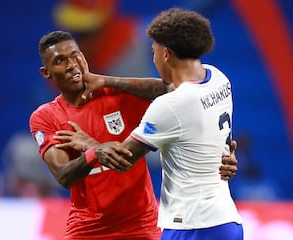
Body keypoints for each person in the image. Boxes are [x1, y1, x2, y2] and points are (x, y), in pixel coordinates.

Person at [29, 30, 238, 239]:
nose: (72, 64)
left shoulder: (118, 95)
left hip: (143, 226)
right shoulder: (47, 117)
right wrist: (94, 153)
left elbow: (171, 91)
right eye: (60, 60)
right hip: (88, 230)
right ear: (46, 73)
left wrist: (220, 151)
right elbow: (63, 175)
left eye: (76, 55)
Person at [78, 8, 244, 240]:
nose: (153, 58)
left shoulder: (170, 106)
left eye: (153, 52)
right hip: (227, 222)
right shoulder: (218, 79)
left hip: (192, 226)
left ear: (166, 54)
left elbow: (123, 159)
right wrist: (106, 81)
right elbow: (163, 87)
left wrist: (88, 143)